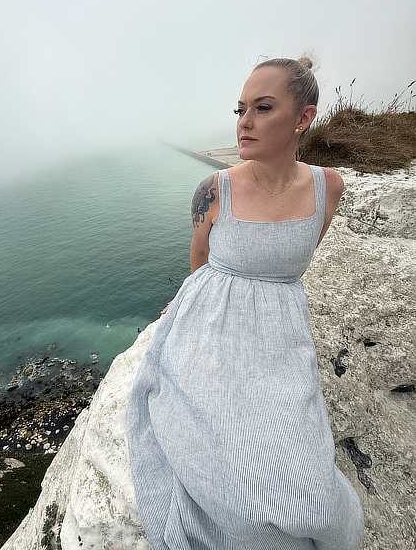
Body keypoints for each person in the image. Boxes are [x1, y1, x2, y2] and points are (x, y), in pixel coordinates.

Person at [126, 57, 364, 550]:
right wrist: (186, 307)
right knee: (231, 473)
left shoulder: (329, 186)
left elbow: (291, 263)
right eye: (240, 109)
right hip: (212, 320)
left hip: (281, 332)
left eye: (263, 108)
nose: (244, 122)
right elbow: (200, 258)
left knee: (310, 490)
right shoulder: (214, 190)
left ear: (303, 118)